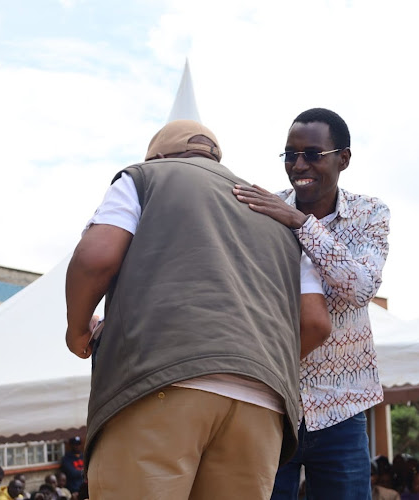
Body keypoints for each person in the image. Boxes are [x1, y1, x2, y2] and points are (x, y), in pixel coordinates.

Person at [65, 119, 331, 499]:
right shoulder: (275, 216)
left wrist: (77, 331)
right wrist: (255, 358)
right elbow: (317, 323)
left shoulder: (146, 177)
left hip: (160, 381)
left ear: (158, 155)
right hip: (262, 402)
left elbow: (95, 257)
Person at [234, 107, 390, 500]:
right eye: (290, 154)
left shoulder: (371, 214)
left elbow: (359, 289)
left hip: (342, 409)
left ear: (344, 158)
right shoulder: (262, 211)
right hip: (271, 404)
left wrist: (301, 224)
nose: (298, 164)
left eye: (312, 154)